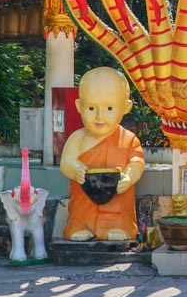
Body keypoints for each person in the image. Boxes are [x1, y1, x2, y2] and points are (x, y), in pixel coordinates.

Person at [59, 67, 145, 241]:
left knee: (119, 206)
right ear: (79, 106)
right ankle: (80, 226)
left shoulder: (128, 139)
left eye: (109, 108)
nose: (99, 117)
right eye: (91, 108)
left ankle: (120, 227)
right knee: (82, 210)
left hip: (118, 200)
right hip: (84, 198)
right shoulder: (78, 138)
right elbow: (66, 162)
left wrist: (129, 177)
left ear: (126, 107)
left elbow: (137, 162)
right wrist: (75, 169)